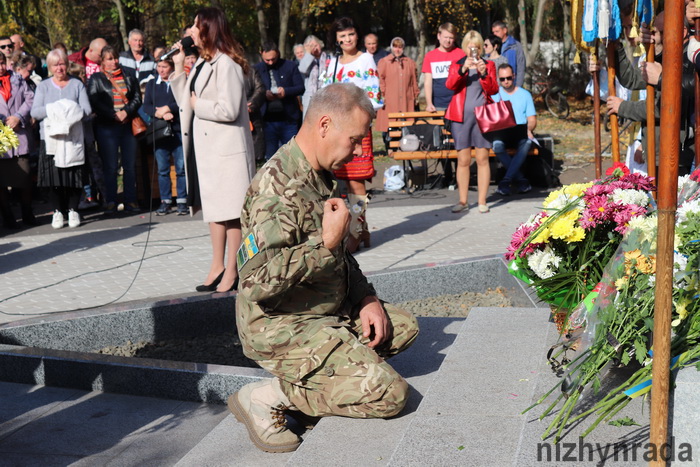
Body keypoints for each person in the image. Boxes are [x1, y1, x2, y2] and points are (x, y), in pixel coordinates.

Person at [230, 83, 419, 453]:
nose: (358, 151)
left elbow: (341, 258)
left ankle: (328, 379)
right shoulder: (277, 189)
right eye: (354, 140)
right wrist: (325, 244)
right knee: (391, 395)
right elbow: (256, 285)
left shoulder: (320, 176)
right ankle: (268, 396)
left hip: (321, 309)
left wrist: (365, 298)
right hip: (281, 324)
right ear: (324, 125)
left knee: (404, 328)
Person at [170, 7, 256, 293]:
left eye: (195, 26)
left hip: (226, 150)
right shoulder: (203, 63)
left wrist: (199, 106)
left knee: (232, 213)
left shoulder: (227, 64)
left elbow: (230, 109)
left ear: (209, 29)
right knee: (216, 211)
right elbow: (187, 100)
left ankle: (233, 270)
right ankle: (217, 265)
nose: (190, 31)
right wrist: (178, 66)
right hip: (208, 149)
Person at [321, 17, 383, 252]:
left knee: (356, 181)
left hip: (356, 130)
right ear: (336, 40)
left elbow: (373, 96)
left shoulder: (366, 59)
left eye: (350, 34)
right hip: (336, 130)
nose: (347, 40)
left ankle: (355, 231)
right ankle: (360, 229)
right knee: (341, 181)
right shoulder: (333, 62)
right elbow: (324, 93)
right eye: (342, 36)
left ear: (357, 35)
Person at [31, 49, 92, 229]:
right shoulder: (43, 86)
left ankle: (73, 210)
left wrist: (68, 111)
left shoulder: (76, 84)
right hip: (51, 139)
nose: (60, 68)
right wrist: (56, 108)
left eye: (62, 63)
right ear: (49, 67)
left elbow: (86, 110)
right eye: (55, 65)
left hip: (73, 138)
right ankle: (58, 212)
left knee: (74, 177)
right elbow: (36, 112)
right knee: (53, 178)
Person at [445, 30, 498, 214]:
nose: (472, 49)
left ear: (481, 47)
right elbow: (450, 85)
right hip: (460, 118)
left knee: (483, 158)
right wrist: (463, 69)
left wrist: (483, 74)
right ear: (465, 46)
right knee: (463, 160)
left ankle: (482, 201)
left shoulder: (489, 64)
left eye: (476, 46)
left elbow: (493, 90)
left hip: (482, 117)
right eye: (470, 45)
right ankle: (463, 201)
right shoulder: (457, 64)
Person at [87, 46, 142, 214]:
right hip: (107, 127)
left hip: (127, 125)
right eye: (110, 59)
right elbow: (94, 100)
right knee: (110, 167)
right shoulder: (96, 78)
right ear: (102, 61)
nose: (114, 61)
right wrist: (112, 114)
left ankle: (130, 200)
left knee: (129, 165)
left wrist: (126, 111)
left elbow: (137, 97)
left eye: (115, 58)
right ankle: (111, 200)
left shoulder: (128, 74)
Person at [142, 58, 186, 215]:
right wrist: (158, 112)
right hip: (160, 132)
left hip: (177, 129)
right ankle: (165, 201)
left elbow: (182, 100)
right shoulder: (153, 84)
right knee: (162, 168)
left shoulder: (177, 82)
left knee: (181, 168)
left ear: (172, 67)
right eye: (159, 66)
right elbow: (146, 105)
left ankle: (182, 201)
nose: (161, 70)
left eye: (165, 66)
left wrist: (168, 109)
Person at [0, 52, 36, 228]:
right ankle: (7, 216)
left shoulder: (17, 79)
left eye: (1, 63)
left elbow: (30, 99)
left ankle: (27, 212)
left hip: (19, 133)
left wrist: (18, 116)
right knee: (1, 181)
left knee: (24, 176)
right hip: (1, 138)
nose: (0, 68)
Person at [254, 42, 305, 160]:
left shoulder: (290, 66)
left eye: (273, 59)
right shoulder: (257, 69)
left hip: (288, 119)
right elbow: (252, 91)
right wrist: (264, 94)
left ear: (278, 53)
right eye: (267, 60)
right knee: (271, 158)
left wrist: (285, 92)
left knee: (293, 156)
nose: (271, 62)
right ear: (262, 54)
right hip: (267, 121)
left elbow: (300, 87)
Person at [491, 64, 536, 196]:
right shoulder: (494, 95)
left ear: (514, 76)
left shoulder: (525, 94)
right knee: (497, 146)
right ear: (498, 79)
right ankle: (521, 180)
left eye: (509, 78)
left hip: (520, 134)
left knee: (527, 142)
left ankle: (506, 181)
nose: (506, 81)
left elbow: (532, 120)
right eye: (502, 79)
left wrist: (529, 129)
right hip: (501, 134)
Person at [376, 37, 419, 149]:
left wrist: (415, 96)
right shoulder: (384, 62)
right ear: (391, 47)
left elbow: (414, 81)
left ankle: (404, 146)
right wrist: (383, 94)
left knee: (406, 124)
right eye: (395, 47)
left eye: (400, 47)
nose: (397, 50)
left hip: (406, 97)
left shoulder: (410, 63)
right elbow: (380, 80)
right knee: (389, 123)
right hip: (390, 98)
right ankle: (390, 147)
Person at [421, 23, 465, 112]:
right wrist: (429, 104)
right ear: (439, 36)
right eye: (445, 37)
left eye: (451, 38)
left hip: (458, 104)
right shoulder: (430, 56)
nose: (448, 40)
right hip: (438, 105)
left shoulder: (461, 54)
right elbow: (428, 82)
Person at [297, 34, 328, 119]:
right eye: (311, 46)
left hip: (326, 95)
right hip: (310, 96)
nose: (314, 48)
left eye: (316, 45)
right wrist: (308, 54)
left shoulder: (328, 57)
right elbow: (302, 69)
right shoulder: (306, 59)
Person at [491, 21, 526, 88]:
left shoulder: (515, 46)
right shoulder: (492, 46)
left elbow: (521, 68)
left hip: (512, 85)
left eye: (497, 31)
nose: (494, 34)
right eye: (493, 32)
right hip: (496, 87)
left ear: (505, 30)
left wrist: (518, 87)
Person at [244, 64, 266, 161]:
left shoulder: (250, 71)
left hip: (252, 117)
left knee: (255, 157)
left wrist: (250, 104)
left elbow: (260, 89)